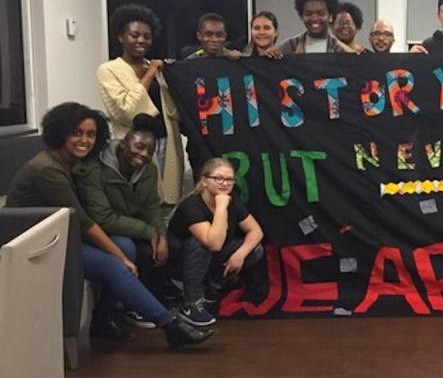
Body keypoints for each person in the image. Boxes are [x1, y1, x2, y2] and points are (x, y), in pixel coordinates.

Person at [5, 103, 212, 348]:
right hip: (32, 244)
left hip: (61, 235)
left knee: (125, 245)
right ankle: (170, 325)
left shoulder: (68, 164)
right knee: (117, 263)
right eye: (76, 133)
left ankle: (105, 318)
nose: (84, 140)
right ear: (60, 132)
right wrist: (121, 259)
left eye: (91, 134)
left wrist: (155, 234)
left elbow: (149, 206)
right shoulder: (48, 170)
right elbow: (84, 220)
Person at [74, 114, 170, 311]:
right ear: (124, 143)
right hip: (102, 229)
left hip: (130, 224)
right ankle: (120, 309)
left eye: (150, 151)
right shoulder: (95, 168)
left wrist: (161, 235)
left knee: (169, 246)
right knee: (134, 248)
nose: (144, 154)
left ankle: (155, 299)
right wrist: (148, 231)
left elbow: (152, 205)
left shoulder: (149, 169)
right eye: (139, 147)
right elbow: (102, 217)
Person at [96, 3, 184, 205]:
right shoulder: (109, 70)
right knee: (138, 198)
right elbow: (127, 110)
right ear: (121, 36)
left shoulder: (153, 67)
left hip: (164, 141)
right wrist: (151, 73)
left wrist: (171, 76)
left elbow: (171, 108)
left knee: (166, 199)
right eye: (134, 35)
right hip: (132, 146)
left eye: (146, 36)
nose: (141, 40)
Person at [167, 157, 264, 326]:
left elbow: (256, 231)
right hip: (182, 265)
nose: (224, 183)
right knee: (200, 243)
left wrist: (240, 255)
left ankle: (211, 287)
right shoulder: (192, 206)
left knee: (255, 249)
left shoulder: (231, 199)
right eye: (218, 178)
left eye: (229, 179)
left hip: (210, 260)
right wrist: (220, 208)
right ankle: (191, 303)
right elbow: (213, 243)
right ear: (204, 181)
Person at [278, 0, 351, 54]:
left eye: (320, 13)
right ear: (301, 16)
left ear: (331, 16)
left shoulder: (341, 50)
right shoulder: (288, 47)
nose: (314, 19)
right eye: (308, 14)